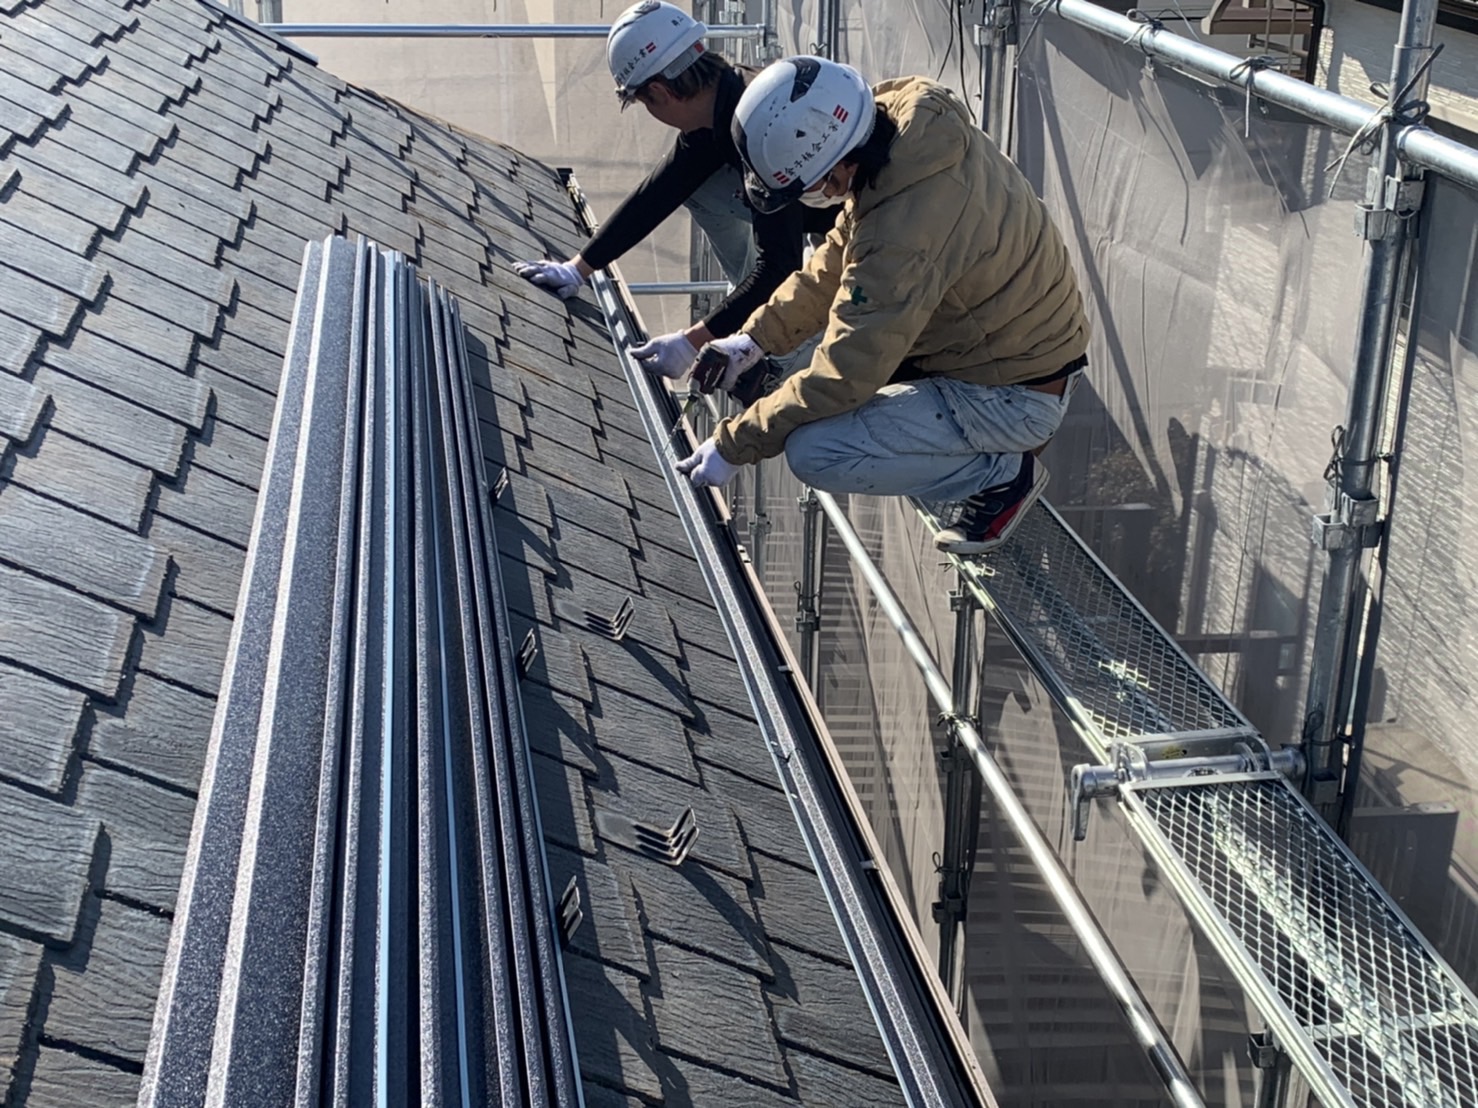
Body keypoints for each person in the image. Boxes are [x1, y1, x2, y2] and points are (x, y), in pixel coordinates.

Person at [674, 56, 1090, 554]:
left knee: (815, 450)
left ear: (838, 163)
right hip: (1001, 351)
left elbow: (845, 373)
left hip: (1013, 398)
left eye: (815, 184)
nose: (820, 195)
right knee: (798, 365)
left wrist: (734, 445)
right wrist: (752, 340)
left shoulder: (903, 231)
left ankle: (1003, 475)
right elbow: (835, 262)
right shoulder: (904, 133)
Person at [512, 1, 836, 382]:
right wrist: (578, 268)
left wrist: (692, 341)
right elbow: (660, 192)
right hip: (813, 218)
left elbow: (779, 264)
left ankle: (787, 348)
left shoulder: (761, 132)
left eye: (643, 102)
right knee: (698, 186)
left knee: (786, 296)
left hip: (860, 232)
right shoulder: (721, 104)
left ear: (659, 92)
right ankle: (748, 308)